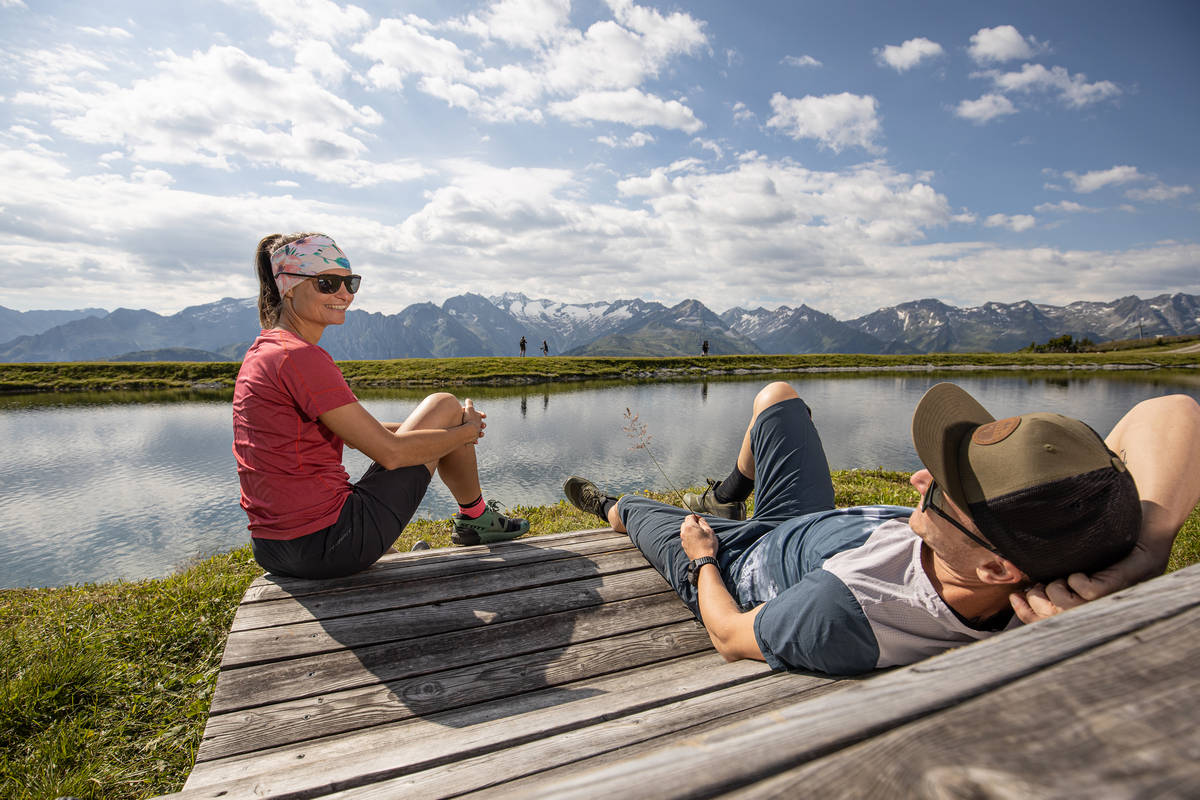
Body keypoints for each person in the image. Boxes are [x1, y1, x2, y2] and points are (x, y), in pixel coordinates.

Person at [564, 381, 1200, 674]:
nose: (920, 480)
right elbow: (1173, 409)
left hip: (745, 560)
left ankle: (620, 508)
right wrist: (1146, 551)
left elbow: (731, 637)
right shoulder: (1057, 545)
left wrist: (703, 557)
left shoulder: (844, 612)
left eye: (947, 492)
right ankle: (730, 492)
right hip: (817, 525)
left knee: (639, 515)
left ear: (996, 569)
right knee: (778, 398)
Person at [233, 233, 529, 580]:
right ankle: (476, 518)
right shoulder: (300, 356)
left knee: (442, 416)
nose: (344, 294)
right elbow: (390, 453)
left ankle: (464, 522)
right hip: (328, 544)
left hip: (274, 548)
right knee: (445, 403)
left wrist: (451, 433)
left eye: (350, 282)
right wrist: (464, 431)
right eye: (327, 283)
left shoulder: (265, 350)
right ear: (289, 287)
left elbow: (362, 436)